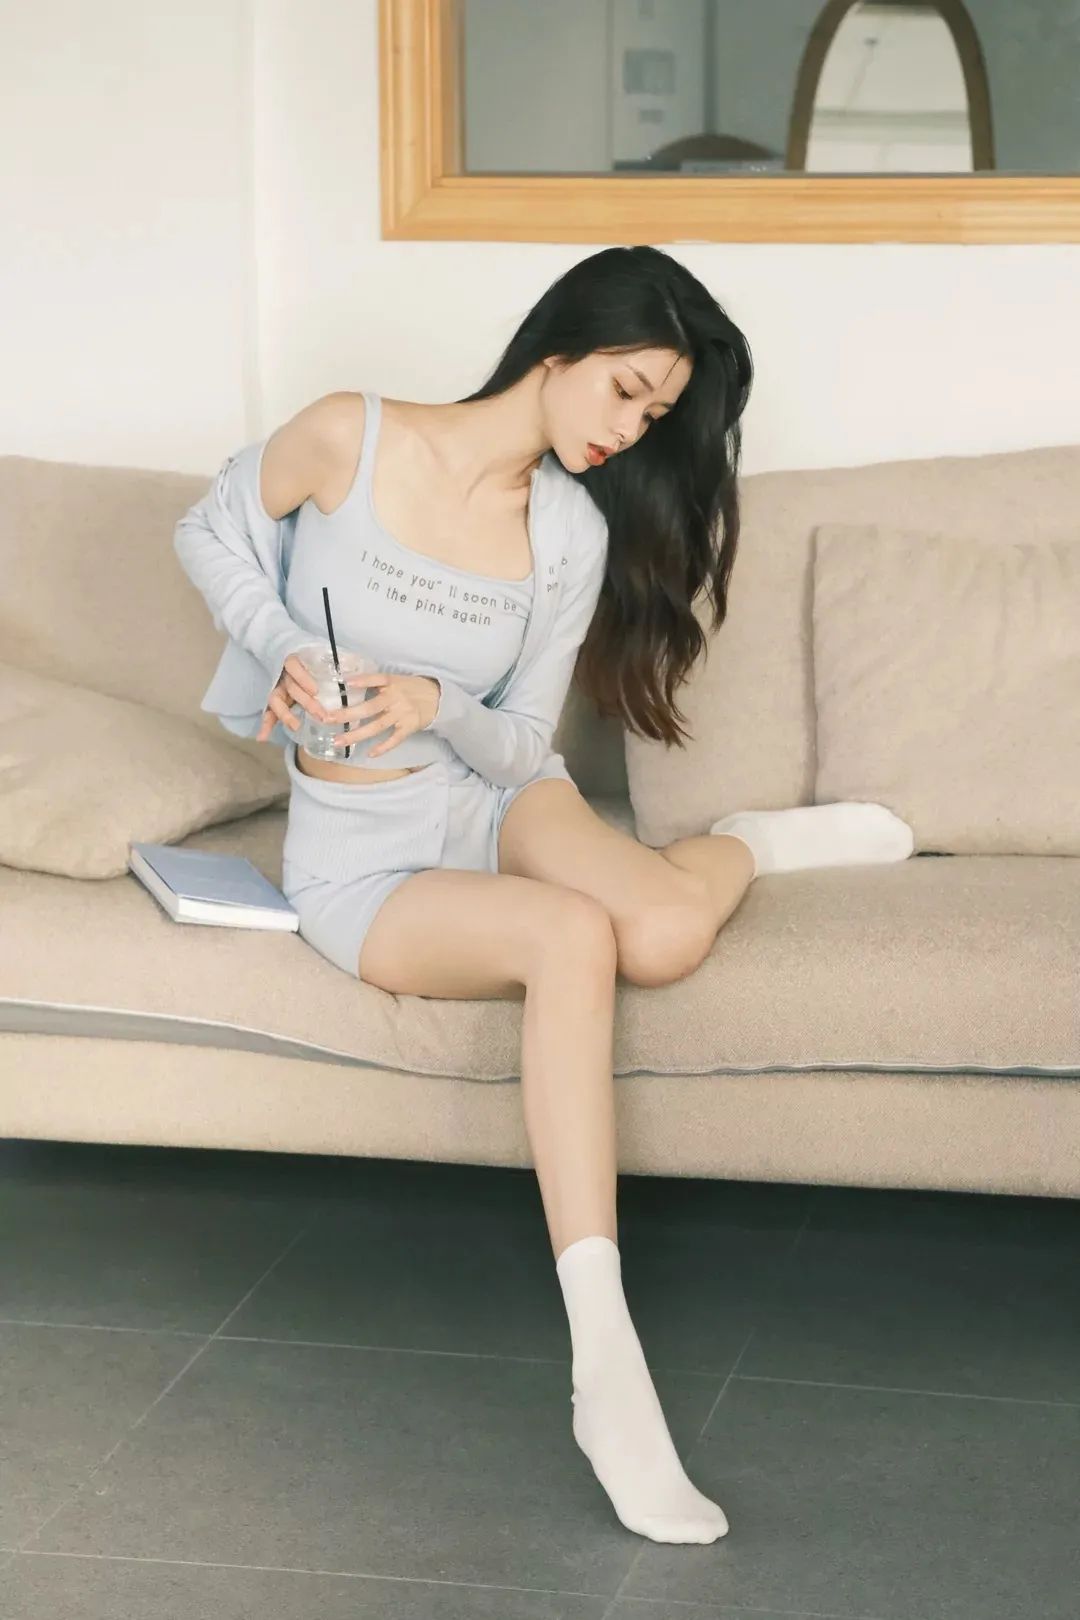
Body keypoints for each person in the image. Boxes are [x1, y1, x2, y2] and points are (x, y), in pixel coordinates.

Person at [175, 245, 912, 1547]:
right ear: (560, 348)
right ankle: (608, 1368)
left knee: (666, 931)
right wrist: (283, 645)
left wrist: (435, 701)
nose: (630, 430)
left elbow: (520, 741)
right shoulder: (350, 434)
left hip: (497, 795)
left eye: (655, 416)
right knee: (573, 936)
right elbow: (209, 527)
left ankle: (751, 842)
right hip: (366, 856)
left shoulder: (569, 527)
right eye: (626, 392)